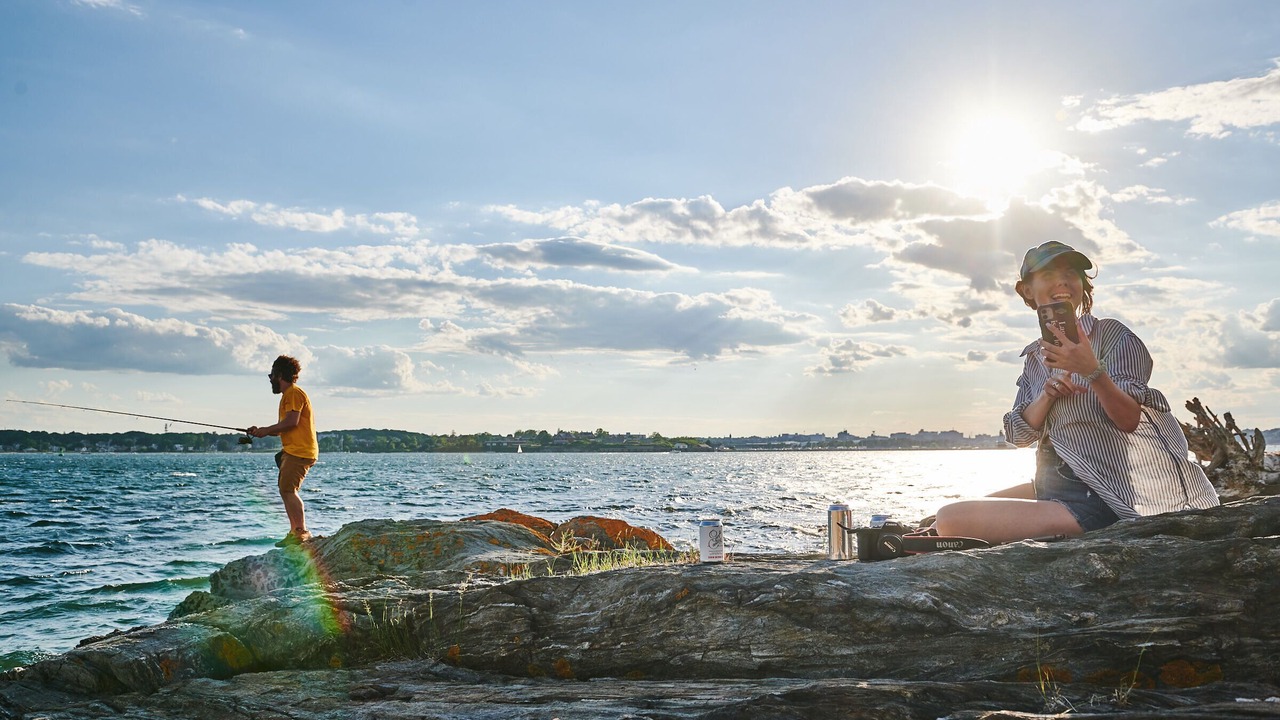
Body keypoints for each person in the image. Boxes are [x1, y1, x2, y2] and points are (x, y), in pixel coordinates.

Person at [933, 241, 1219, 544]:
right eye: (1049, 274)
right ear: (1027, 290)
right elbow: (1018, 437)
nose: (1062, 282)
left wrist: (1093, 371)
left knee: (950, 518)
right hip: (1056, 485)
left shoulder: (1113, 336)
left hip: (1103, 498)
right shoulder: (1035, 358)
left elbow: (1129, 420)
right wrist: (1047, 395)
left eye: (1072, 273)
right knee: (957, 511)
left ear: (1084, 285)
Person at [247, 355, 319, 547]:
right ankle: (295, 531)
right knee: (285, 489)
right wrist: (261, 432)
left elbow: (291, 422)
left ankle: (300, 532)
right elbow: (287, 427)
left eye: (271, 375)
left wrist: (267, 430)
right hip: (294, 450)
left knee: (288, 489)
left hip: (300, 451)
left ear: (279, 375)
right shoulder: (288, 396)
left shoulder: (293, 394)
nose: (270, 379)